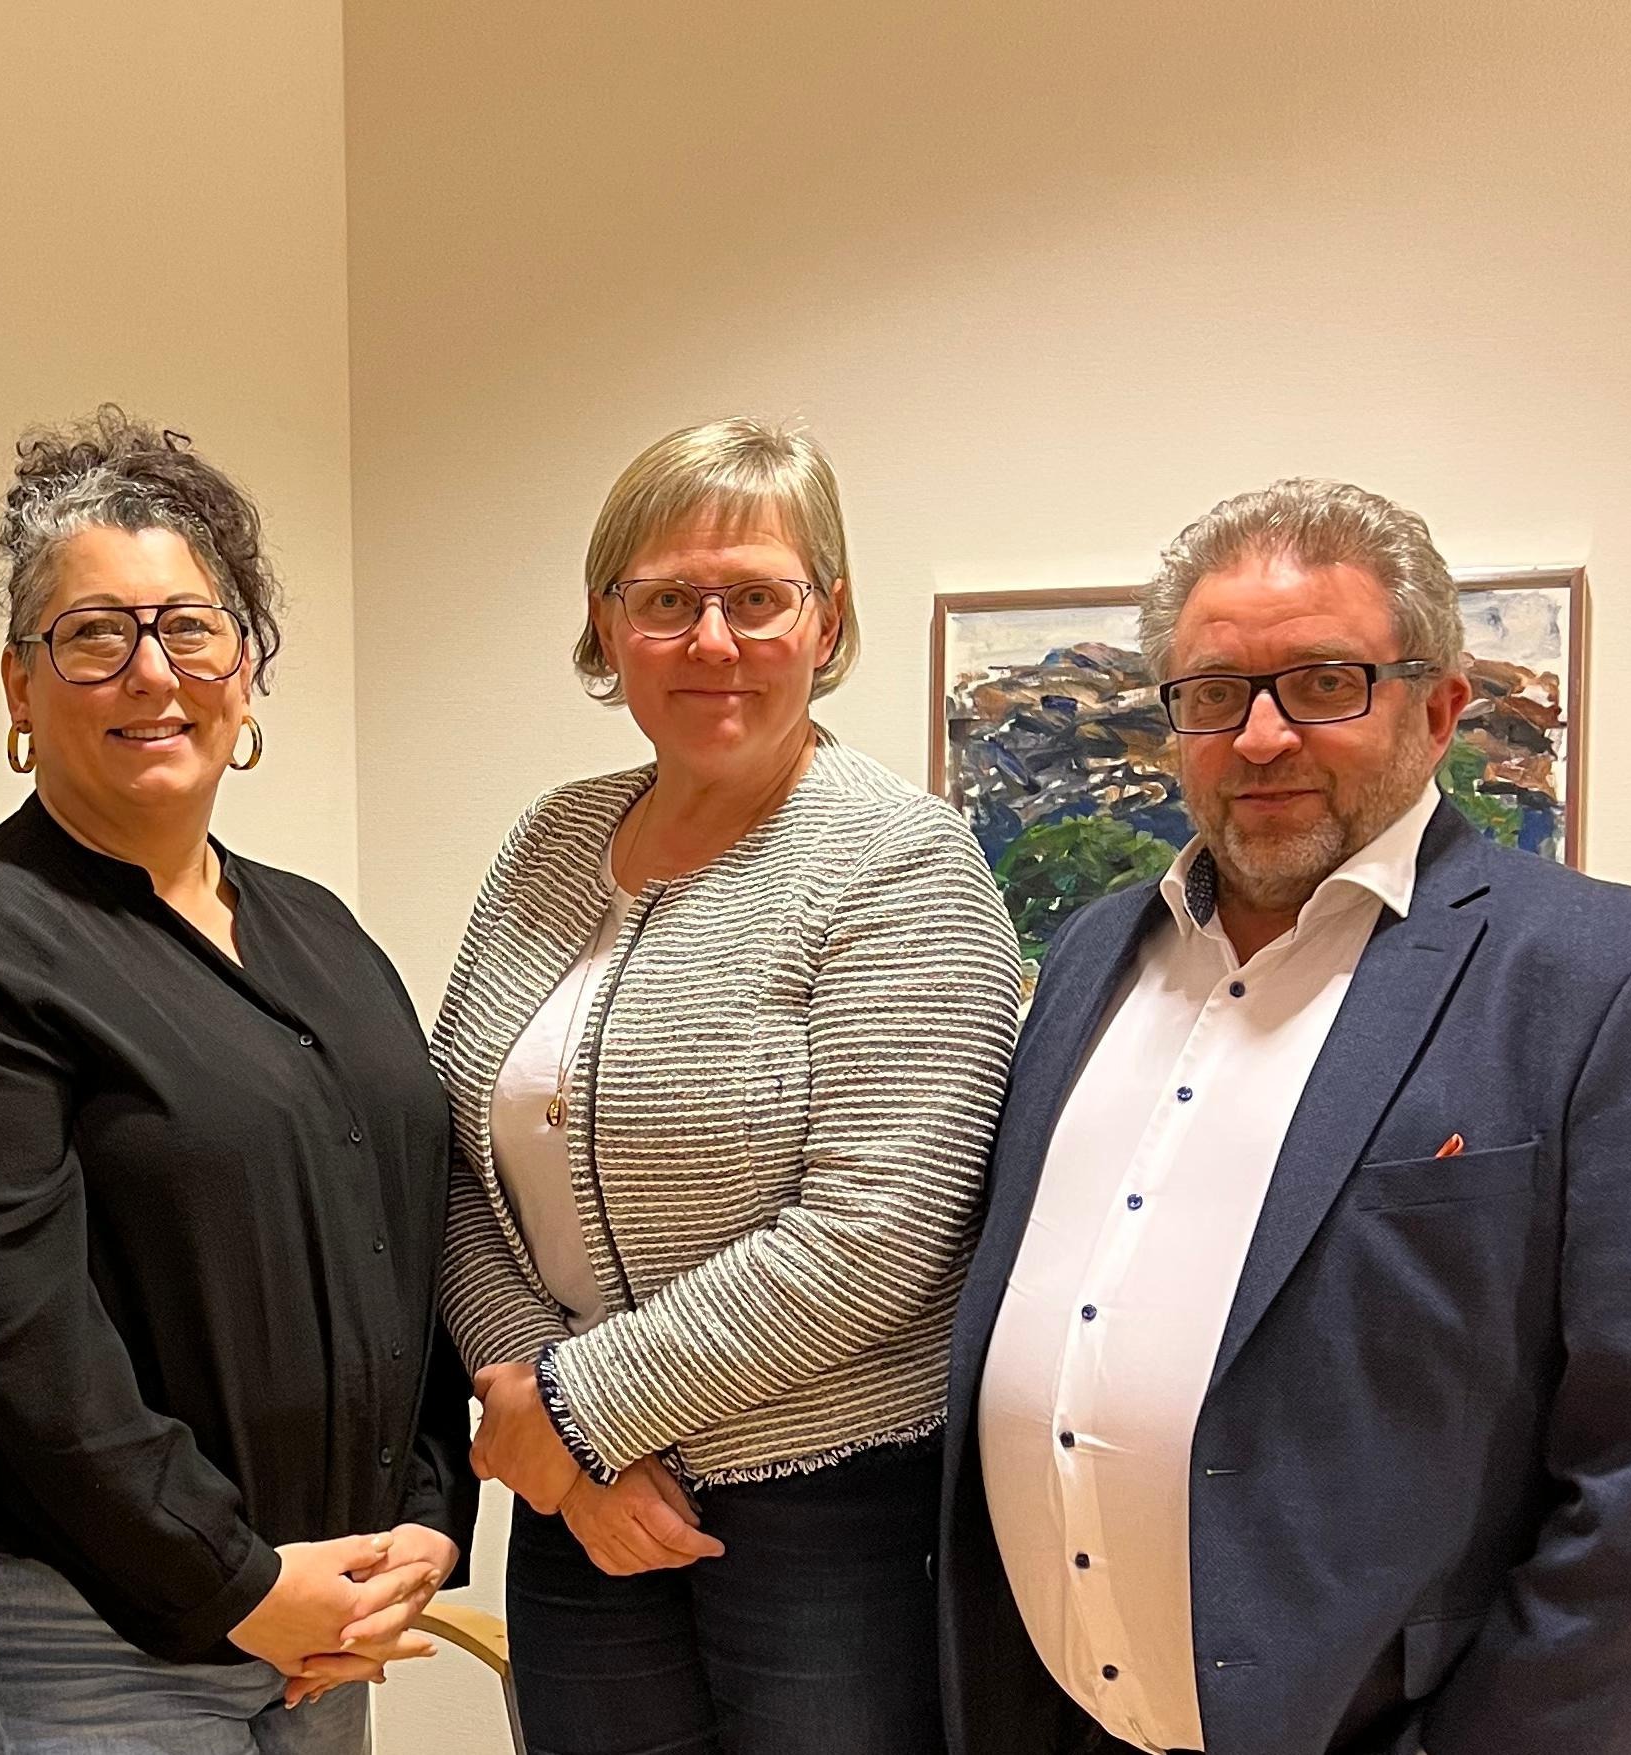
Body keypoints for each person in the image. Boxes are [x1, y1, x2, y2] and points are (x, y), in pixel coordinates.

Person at [938, 479, 1631, 1755]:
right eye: (1212, 694)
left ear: (1437, 708)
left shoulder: (1613, 979)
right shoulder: (1087, 958)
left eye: (1324, 683)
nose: (1259, 737)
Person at [0, 408, 476, 1754]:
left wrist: (427, 1510)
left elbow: (409, 1233)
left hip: (331, 1602)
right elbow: (13, 1344)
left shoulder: (320, 932)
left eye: (191, 627)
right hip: (86, 1627)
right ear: (19, 688)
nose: (151, 672)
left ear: (246, 671)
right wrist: (236, 1582)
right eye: (93, 634)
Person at [434, 418, 1025, 1755]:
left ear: (828, 619)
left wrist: (578, 1412)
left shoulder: (899, 862)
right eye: (665, 601)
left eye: (755, 597)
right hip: (574, 1499)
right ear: (607, 624)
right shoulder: (551, 837)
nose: (711, 640)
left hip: (826, 1513)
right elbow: (455, 1155)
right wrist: (529, 1402)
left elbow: (879, 1230)